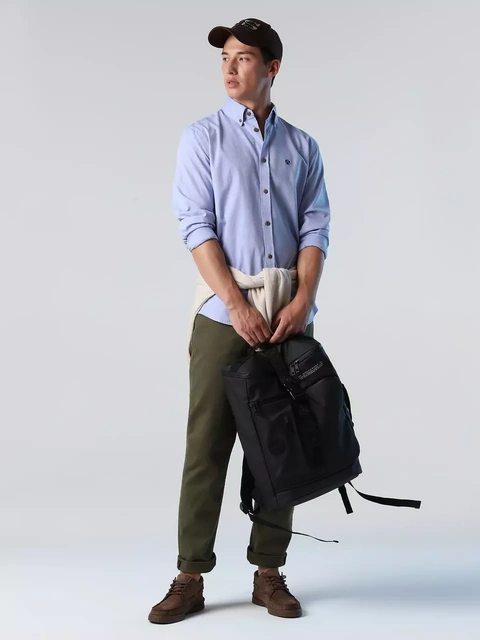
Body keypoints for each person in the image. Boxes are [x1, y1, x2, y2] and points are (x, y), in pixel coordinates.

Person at [148, 17, 330, 624]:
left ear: (271, 68)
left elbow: (315, 227)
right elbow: (195, 224)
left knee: (282, 445)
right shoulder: (201, 139)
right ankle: (189, 575)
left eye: (243, 57)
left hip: (287, 317)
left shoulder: (302, 147)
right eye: (225, 57)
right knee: (206, 446)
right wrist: (235, 304)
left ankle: (269, 573)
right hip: (223, 315)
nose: (230, 67)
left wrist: (302, 302)